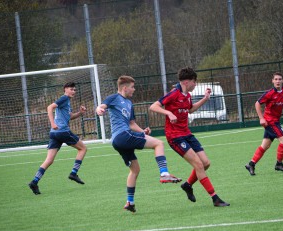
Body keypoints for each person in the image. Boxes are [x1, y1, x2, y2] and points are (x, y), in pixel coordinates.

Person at [95, 75, 181, 213]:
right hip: (122, 136)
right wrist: (99, 110)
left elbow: (131, 124)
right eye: (132, 87)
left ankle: (130, 202)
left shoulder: (129, 104)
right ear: (124, 88)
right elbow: (101, 106)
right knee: (158, 143)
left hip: (120, 141)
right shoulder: (114, 98)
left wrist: (143, 132)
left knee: (135, 170)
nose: (134, 90)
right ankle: (164, 174)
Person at [149, 67, 230, 207]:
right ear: (186, 82)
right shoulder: (174, 94)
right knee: (198, 164)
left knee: (205, 163)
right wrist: (168, 113)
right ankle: (215, 198)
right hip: (175, 137)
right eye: (194, 82)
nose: (195, 84)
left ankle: (187, 185)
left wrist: (205, 99)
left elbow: (190, 109)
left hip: (186, 133)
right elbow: (153, 106)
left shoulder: (187, 95)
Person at [28, 82, 87, 195]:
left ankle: (34, 182)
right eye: (71, 89)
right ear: (65, 89)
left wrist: (80, 113)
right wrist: (53, 123)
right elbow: (50, 107)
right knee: (83, 148)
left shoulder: (66, 101)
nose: (73, 91)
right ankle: (74, 173)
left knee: (49, 160)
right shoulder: (64, 98)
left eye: (75, 90)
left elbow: (69, 116)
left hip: (54, 133)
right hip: (62, 131)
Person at [244, 72, 283, 176]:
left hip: (276, 121)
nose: (278, 81)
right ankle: (279, 164)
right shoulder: (269, 93)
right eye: (276, 79)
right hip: (270, 121)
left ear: (282, 81)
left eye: (279, 79)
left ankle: (251, 164)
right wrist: (261, 118)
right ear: (272, 81)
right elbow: (257, 103)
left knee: (265, 145)